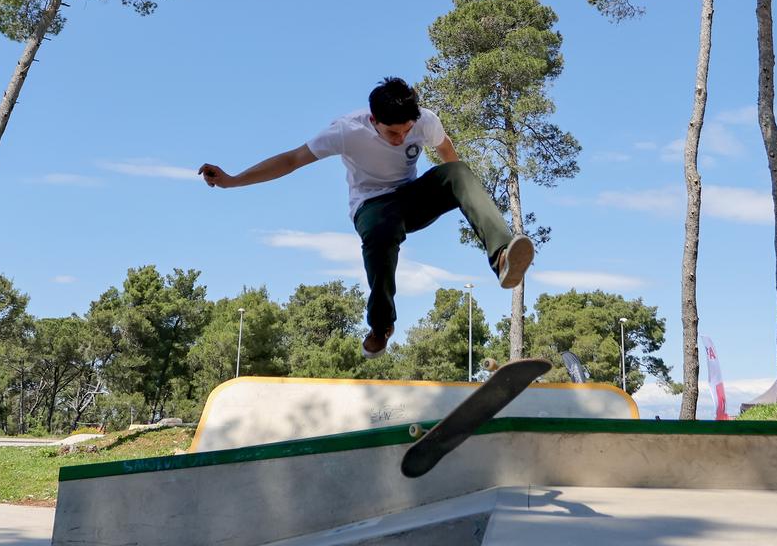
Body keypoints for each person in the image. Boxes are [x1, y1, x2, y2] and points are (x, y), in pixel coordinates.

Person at [199, 77, 533, 358]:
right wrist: (231, 180)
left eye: (406, 132)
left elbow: (447, 154)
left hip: (411, 199)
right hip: (372, 207)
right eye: (392, 134)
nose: (401, 139)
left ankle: (502, 255)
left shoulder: (425, 121)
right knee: (382, 233)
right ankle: (381, 324)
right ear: (374, 121)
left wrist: (463, 191)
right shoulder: (346, 131)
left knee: (459, 171)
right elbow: (291, 159)